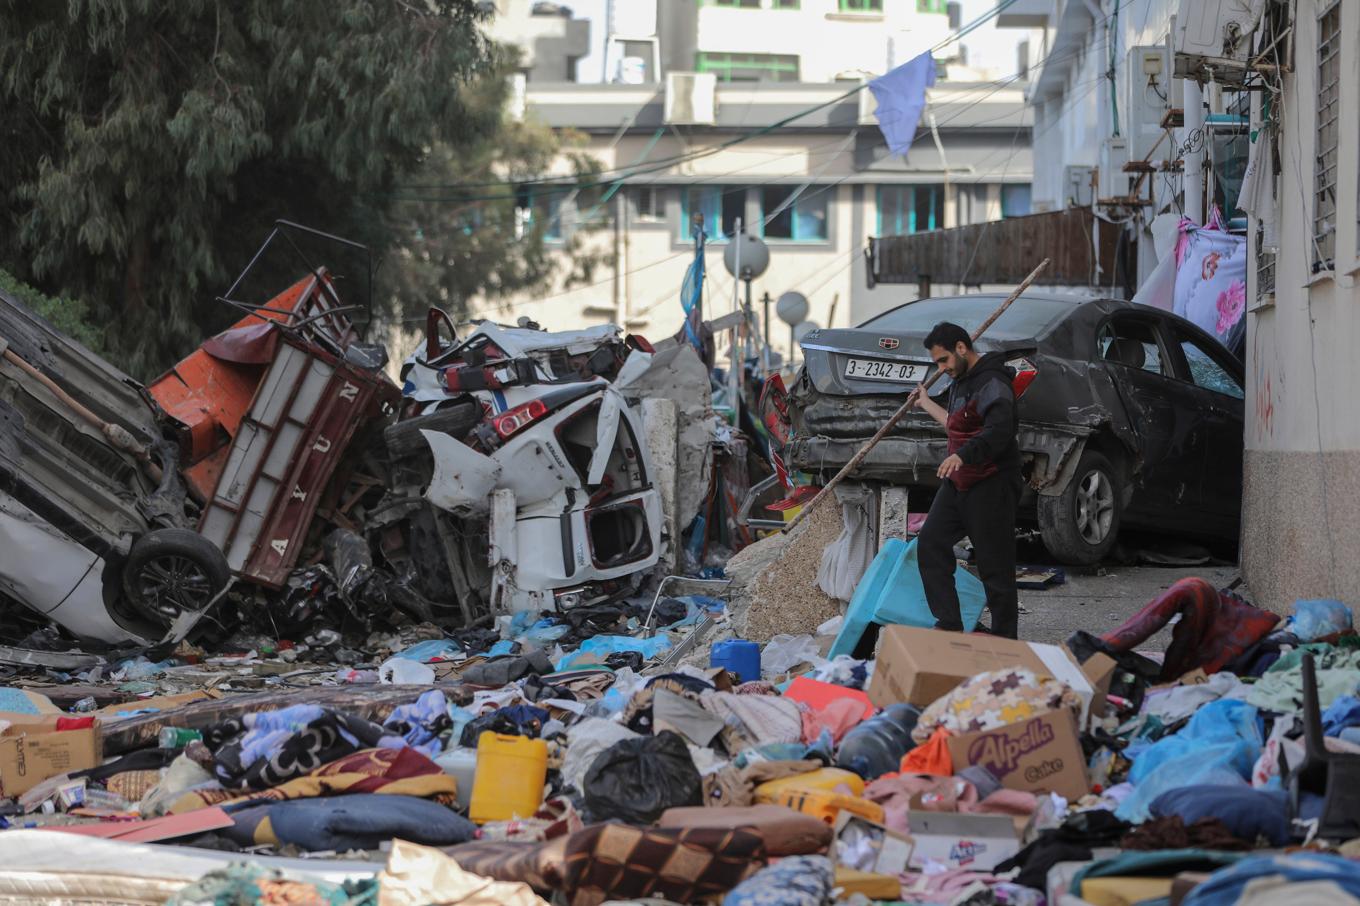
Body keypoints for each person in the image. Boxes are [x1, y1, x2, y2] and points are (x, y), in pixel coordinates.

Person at [911, 321, 1022, 638]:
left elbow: (1000, 431)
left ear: (962, 348)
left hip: (992, 482)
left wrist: (962, 455)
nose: (942, 368)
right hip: (959, 482)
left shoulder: (993, 382)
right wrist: (926, 401)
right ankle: (949, 624)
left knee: (995, 567)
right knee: (930, 543)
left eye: (944, 360)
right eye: (937, 364)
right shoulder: (961, 379)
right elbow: (957, 424)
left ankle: (1005, 641)